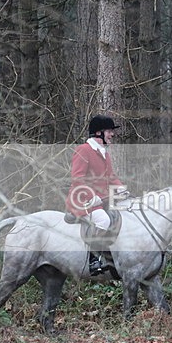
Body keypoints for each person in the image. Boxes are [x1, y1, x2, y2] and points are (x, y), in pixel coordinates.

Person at [65, 114, 127, 274]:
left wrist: (121, 188)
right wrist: (92, 196)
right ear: (99, 133)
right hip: (83, 200)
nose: (112, 134)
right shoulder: (83, 150)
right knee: (103, 220)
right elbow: (77, 178)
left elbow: (111, 176)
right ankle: (92, 258)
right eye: (109, 131)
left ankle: (113, 259)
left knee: (123, 214)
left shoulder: (104, 153)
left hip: (102, 200)